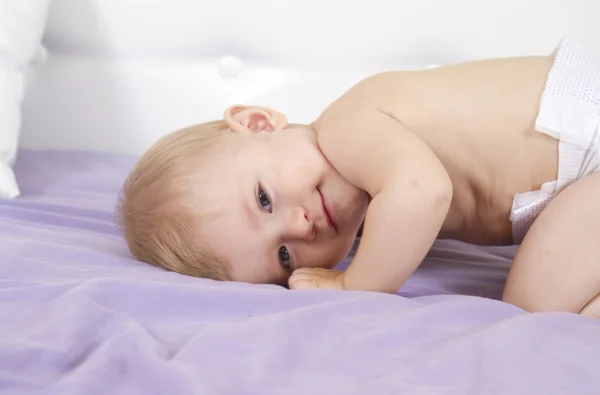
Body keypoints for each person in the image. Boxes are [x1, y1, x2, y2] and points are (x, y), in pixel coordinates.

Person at [118, 37, 600, 318]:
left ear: (259, 123)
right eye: (285, 257)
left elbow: (422, 193)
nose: (301, 225)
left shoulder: (348, 128)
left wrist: (355, 286)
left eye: (264, 199)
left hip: (591, 130)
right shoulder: (370, 209)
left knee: (537, 305)